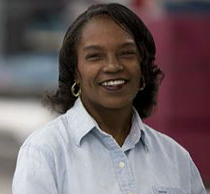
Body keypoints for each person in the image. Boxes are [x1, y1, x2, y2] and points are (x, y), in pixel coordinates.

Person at [12, 3, 207, 194]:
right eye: (95, 56)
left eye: (126, 53)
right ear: (75, 72)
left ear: (143, 67)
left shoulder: (176, 158)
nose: (113, 66)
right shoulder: (45, 153)